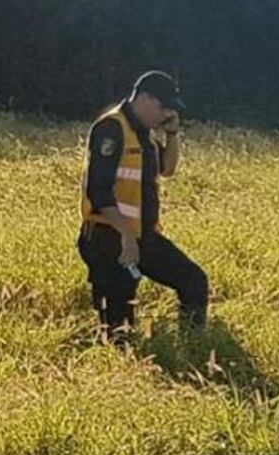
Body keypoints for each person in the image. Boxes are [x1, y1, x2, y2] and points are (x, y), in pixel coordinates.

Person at [78, 70, 208, 342]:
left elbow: (167, 168)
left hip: (142, 236)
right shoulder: (111, 128)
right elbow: (98, 192)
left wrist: (171, 134)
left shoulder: (145, 133)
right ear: (145, 98)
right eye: (164, 106)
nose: (165, 114)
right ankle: (116, 367)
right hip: (107, 238)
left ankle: (195, 347)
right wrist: (126, 235)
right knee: (119, 330)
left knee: (194, 281)